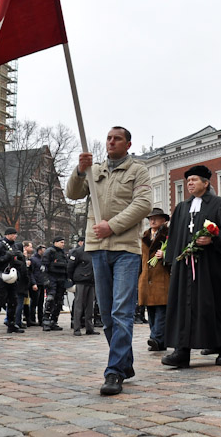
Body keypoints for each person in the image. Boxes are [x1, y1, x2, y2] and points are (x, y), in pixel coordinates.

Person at [65, 126, 152, 396]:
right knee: (105, 313)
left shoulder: (138, 170)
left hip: (125, 248)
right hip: (98, 248)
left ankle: (114, 371)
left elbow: (143, 205)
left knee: (121, 311)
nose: (111, 142)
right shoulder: (96, 169)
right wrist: (79, 171)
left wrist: (111, 226)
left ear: (128, 143)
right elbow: (73, 194)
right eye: (108, 138)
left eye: (117, 139)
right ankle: (125, 362)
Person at [161, 165, 221, 368]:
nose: (190, 183)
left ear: (206, 183)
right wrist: (173, 262)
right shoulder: (181, 208)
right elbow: (175, 238)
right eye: (188, 181)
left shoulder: (220, 204)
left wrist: (213, 239)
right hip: (185, 269)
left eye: (194, 180)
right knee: (183, 306)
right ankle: (181, 351)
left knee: (215, 305)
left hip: (211, 267)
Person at [138, 209, 170, 350]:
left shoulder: (169, 235)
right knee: (150, 310)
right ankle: (157, 340)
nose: (152, 221)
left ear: (164, 220)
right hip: (146, 278)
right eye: (151, 218)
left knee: (161, 310)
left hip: (162, 277)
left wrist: (165, 254)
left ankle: (156, 338)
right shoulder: (145, 236)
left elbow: (178, 252)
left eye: (156, 218)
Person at [0, 228, 24, 334]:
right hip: (1, 275)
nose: (15, 236)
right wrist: (5, 257)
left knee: (13, 301)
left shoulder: (16, 246)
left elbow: (20, 262)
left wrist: (19, 260)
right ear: (8, 235)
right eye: (13, 234)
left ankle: (11, 324)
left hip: (13, 276)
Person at [68, 237, 98, 337]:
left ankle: (89, 327)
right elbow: (70, 266)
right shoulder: (78, 252)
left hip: (91, 281)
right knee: (79, 305)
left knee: (90, 306)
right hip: (81, 280)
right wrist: (72, 279)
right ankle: (77, 328)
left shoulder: (95, 252)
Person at [42, 237, 69, 331]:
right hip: (52, 278)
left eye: (63, 242)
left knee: (59, 301)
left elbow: (67, 267)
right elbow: (44, 267)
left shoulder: (63, 253)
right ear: (55, 242)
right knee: (50, 299)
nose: (63, 244)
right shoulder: (49, 252)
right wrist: (46, 280)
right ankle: (46, 320)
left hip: (61, 279)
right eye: (61, 242)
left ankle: (54, 321)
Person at [30, 245, 46, 325]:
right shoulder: (33, 259)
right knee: (34, 302)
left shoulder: (43, 259)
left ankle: (41, 319)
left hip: (42, 283)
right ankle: (32, 319)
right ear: (39, 250)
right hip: (36, 283)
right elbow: (31, 272)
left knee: (41, 302)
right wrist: (33, 283)